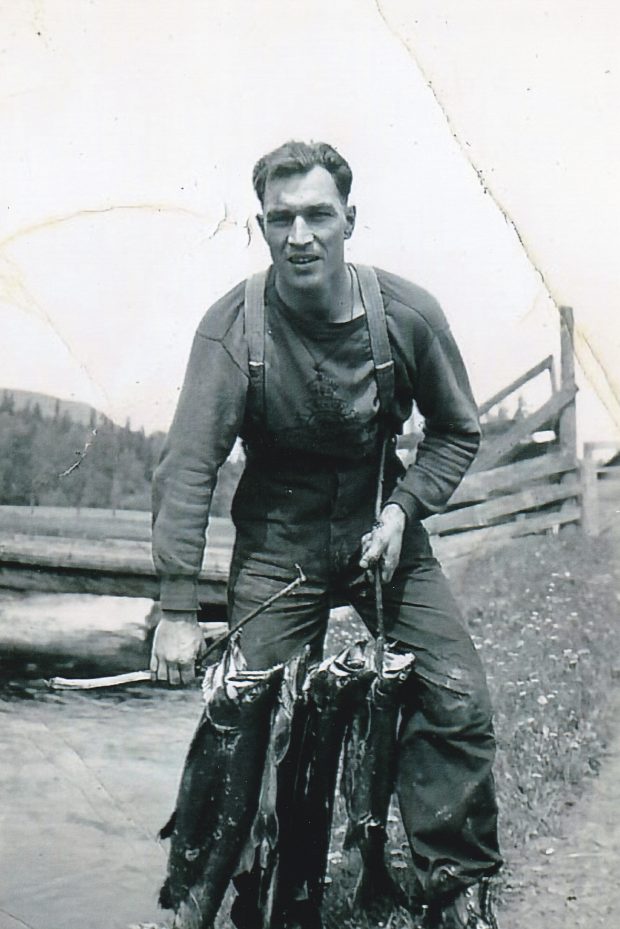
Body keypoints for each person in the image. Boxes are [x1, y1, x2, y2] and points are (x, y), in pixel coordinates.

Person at [150, 141, 502, 929]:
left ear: (350, 218)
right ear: (262, 227)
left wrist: (401, 510)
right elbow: (186, 467)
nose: (300, 235)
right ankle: (215, 896)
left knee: (456, 694)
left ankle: (457, 889)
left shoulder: (407, 314)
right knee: (241, 719)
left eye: (317, 215)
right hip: (279, 547)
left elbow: (456, 431)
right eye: (282, 219)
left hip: (384, 533)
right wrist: (176, 605)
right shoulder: (232, 327)